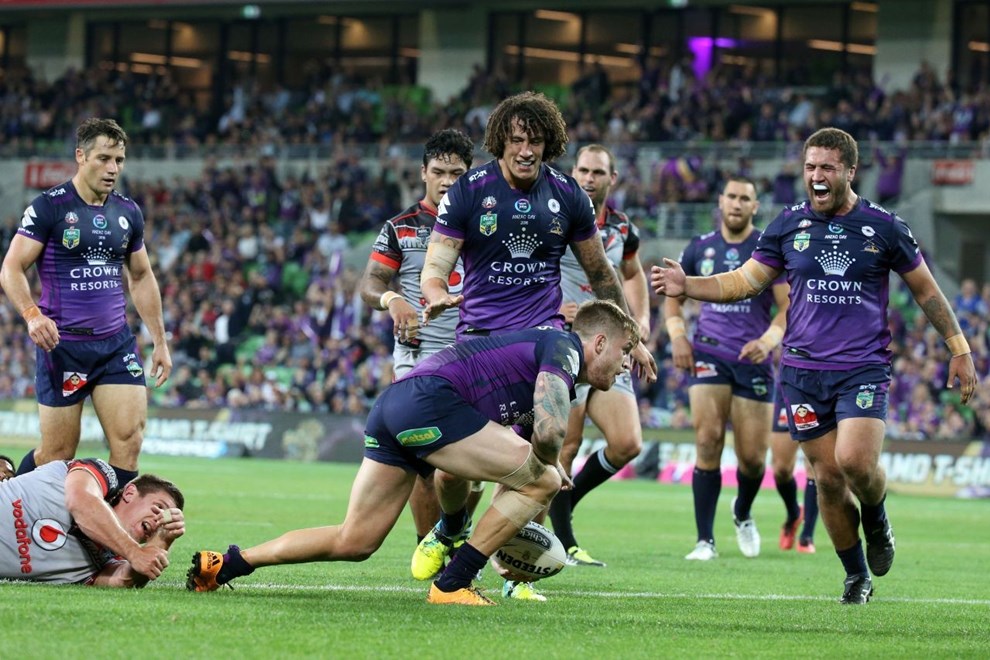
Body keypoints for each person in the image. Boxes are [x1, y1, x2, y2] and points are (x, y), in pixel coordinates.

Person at [652, 127, 977, 604]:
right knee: (826, 478)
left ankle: (877, 517)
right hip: (803, 373)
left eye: (827, 167)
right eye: (809, 167)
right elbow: (744, 281)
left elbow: (925, 289)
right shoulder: (787, 226)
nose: (816, 176)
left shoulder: (885, 227)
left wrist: (959, 347)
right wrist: (689, 286)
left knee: (856, 462)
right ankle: (856, 575)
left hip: (862, 367)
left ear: (850, 171)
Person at [186, 300, 640, 607]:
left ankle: (227, 564)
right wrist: (549, 467)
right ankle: (454, 581)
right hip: (431, 402)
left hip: (397, 403)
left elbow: (515, 449)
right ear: (599, 342)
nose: (626, 365)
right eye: (625, 351)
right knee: (543, 479)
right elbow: (551, 431)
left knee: (355, 541)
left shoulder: (541, 349)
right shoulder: (564, 348)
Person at [415, 91, 657, 600]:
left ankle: (514, 575)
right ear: (500, 140)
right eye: (517, 139)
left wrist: (630, 337)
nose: (526, 150)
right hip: (479, 343)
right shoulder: (469, 191)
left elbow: (602, 274)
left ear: (551, 144)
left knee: (537, 461)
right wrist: (435, 293)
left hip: (541, 345)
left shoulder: (567, 195)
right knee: (453, 474)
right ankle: (452, 527)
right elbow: (436, 265)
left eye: (537, 141)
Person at [0, 118, 172, 485]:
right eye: (104, 158)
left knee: (129, 443)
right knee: (57, 454)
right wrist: (32, 315)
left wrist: (160, 340)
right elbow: (11, 268)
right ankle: (8, 496)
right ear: (81, 156)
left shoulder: (128, 212)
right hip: (63, 346)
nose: (113, 169)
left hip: (115, 346)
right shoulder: (50, 207)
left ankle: (107, 524)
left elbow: (141, 276)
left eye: (119, 160)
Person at [357, 128, 483, 553]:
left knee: (470, 470)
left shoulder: (485, 224)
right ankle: (430, 550)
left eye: (457, 173)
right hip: (419, 353)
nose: (447, 181)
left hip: (476, 354)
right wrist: (393, 299)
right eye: (439, 172)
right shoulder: (401, 227)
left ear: (470, 175)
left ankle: (454, 534)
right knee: (425, 461)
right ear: (423, 173)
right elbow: (370, 283)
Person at [663, 176, 790, 562]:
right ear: (720, 201)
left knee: (752, 459)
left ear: (755, 206)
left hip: (753, 359)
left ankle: (743, 511)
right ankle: (705, 540)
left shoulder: (767, 248)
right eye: (731, 196)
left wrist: (768, 342)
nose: (736, 203)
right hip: (709, 352)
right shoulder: (699, 247)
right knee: (707, 441)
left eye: (744, 198)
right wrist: (678, 336)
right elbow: (673, 296)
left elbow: (787, 308)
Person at [547, 144, 651, 567]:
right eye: (583, 171)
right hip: (567, 341)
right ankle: (563, 542)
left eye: (598, 172)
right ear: (573, 173)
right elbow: (532, 270)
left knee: (627, 443)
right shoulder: (556, 219)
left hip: (611, 347)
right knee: (566, 444)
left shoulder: (623, 228)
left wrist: (640, 321)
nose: (589, 179)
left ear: (613, 179)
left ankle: (565, 506)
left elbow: (633, 274)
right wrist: (555, 307)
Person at [0, 457, 184, 586]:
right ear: (130, 493)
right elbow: (81, 500)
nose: (159, 519)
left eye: (164, 519)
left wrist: (162, 540)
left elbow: (123, 581)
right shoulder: (99, 473)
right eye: (159, 507)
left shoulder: (107, 562)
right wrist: (134, 552)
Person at [770, 380, 819, 553]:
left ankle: (806, 536)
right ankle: (794, 514)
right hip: (791, 384)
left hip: (823, 383)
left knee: (814, 466)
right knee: (781, 469)